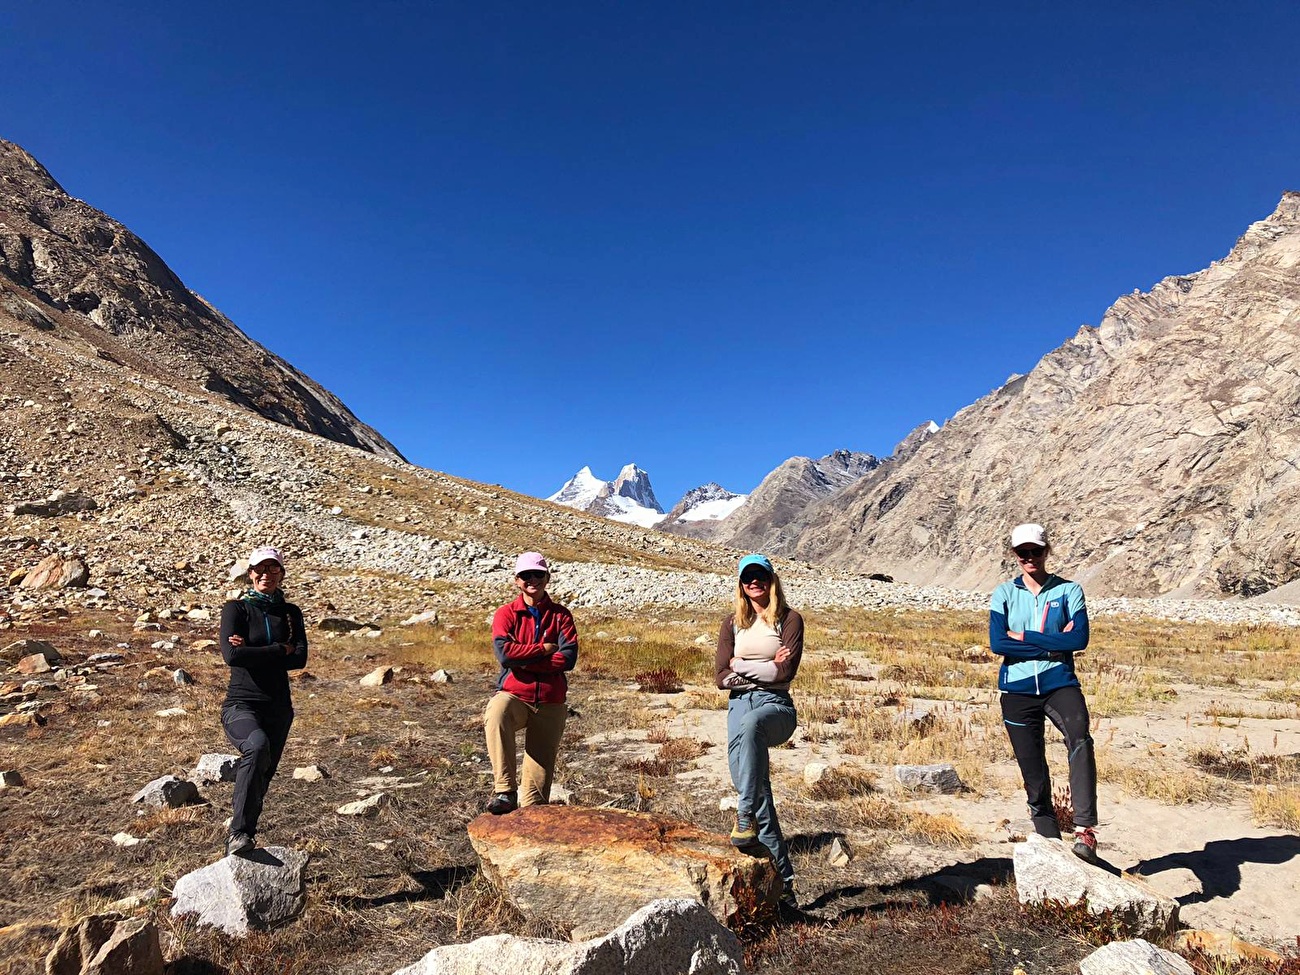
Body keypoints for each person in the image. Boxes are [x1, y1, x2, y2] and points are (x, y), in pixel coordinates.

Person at [989, 523, 1099, 862]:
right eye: (1023, 553)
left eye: (1035, 551)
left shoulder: (1069, 591)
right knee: (1031, 767)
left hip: (1059, 682)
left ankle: (1085, 830)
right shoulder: (1003, 593)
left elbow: (1078, 640)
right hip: (1016, 689)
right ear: (1014, 555)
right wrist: (1052, 643)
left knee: (1079, 737)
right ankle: (1049, 838)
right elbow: (998, 642)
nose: (1029, 558)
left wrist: (1022, 639)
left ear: (1046, 551)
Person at [715, 553, 804, 909]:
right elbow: (721, 677)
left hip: (775, 707)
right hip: (738, 705)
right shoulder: (731, 624)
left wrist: (743, 665)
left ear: (771, 580)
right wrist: (761, 665)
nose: (755, 583)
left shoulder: (789, 619)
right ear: (740, 583)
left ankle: (743, 813)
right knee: (757, 790)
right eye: (748, 577)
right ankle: (784, 889)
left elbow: (784, 674)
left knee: (751, 791)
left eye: (761, 576)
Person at [219, 546, 308, 856]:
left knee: (262, 774)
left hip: (279, 709)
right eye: (259, 568)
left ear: (281, 574)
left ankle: (244, 836)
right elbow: (232, 656)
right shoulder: (236, 610)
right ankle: (238, 833)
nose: (265, 574)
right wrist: (277, 650)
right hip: (241, 705)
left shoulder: (290, 612)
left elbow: (300, 658)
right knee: (255, 748)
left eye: (273, 569)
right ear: (250, 573)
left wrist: (253, 650)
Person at [484, 552, 579, 814]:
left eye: (538, 574)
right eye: (526, 575)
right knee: (497, 710)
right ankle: (504, 790)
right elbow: (505, 654)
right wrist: (545, 648)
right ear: (517, 580)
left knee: (535, 802)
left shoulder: (561, 616)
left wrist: (524, 660)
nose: (532, 580)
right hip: (515, 695)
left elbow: (568, 657)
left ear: (547, 578)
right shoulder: (506, 614)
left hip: (551, 701)